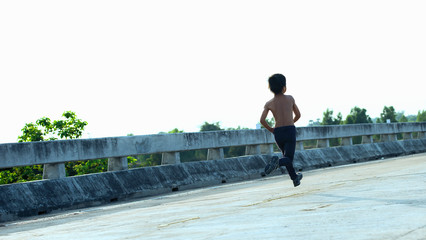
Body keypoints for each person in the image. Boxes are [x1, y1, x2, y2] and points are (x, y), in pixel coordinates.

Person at [260, 73, 303, 187]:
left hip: (278, 133)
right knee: (287, 158)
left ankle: (295, 178)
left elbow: (262, 120)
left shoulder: (269, 103)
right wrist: (290, 122)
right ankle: (277, 163)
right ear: (284, 86)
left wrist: (272, 130)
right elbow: (298, 115)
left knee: (286, 157)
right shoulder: (290, 98)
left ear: (271, 88)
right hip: (289, 130)